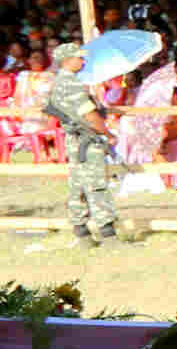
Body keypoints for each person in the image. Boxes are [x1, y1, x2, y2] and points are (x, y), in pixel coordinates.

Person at [36, 43, 120, 248]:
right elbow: (89, 116)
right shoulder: (72, 84)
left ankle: (82, 233)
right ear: (67, 61)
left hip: (74, 139)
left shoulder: (58, 83)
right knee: (96, 185)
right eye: (79, 58)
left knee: (78, 186)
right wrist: (108, 134)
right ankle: (108, 236)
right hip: (87, 139)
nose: (83, 61)